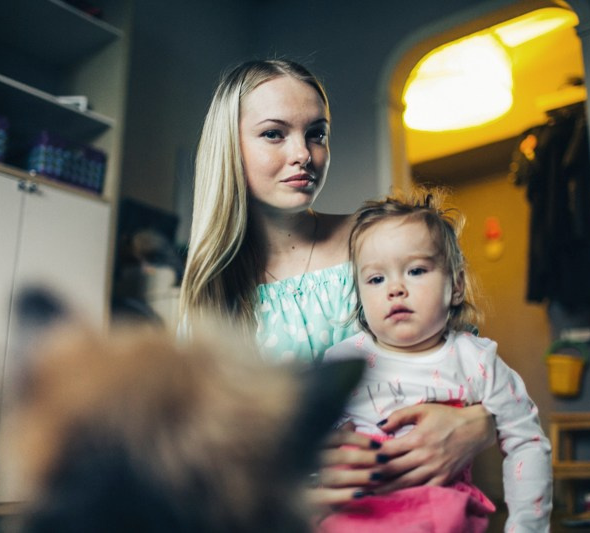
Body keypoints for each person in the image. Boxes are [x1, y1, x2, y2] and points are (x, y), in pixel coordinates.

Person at [178, 58, 496, 506]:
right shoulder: (212, 294)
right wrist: (303, 499)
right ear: (229, 146)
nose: (303, 154)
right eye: (274, 133)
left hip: (420, 511)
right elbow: (209, 467)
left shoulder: (376, 241)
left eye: (316, 133)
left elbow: (475, 369)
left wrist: (478, 425)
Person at [320, 187, 552, 532]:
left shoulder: (475, 360)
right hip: (356, 516)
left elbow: (527, 442)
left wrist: (526, 527)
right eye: (376, 278)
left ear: (456, 286)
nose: (394, 288)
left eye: (415, 270)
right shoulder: (343, 361)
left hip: (439, 513)